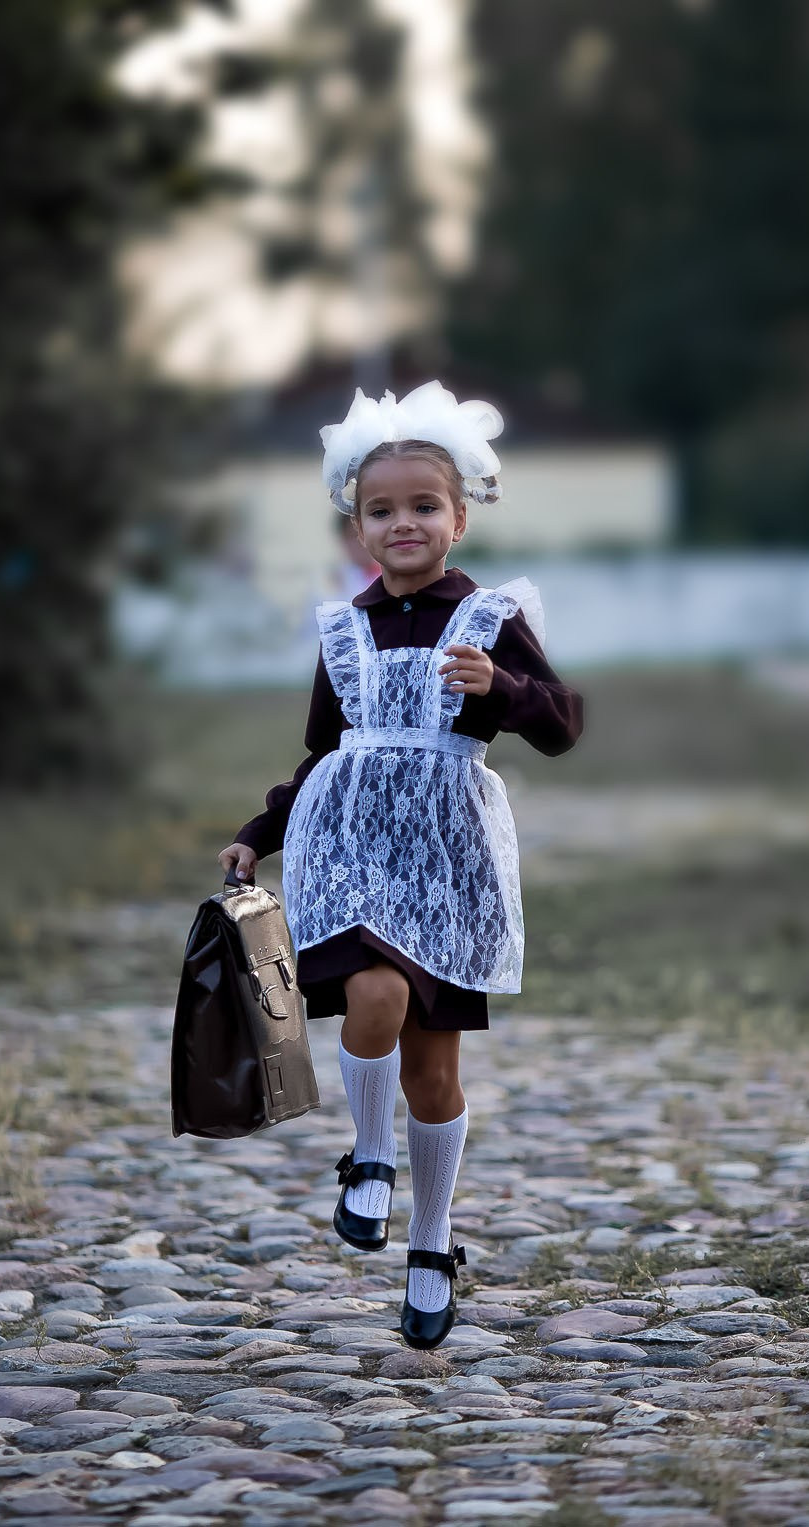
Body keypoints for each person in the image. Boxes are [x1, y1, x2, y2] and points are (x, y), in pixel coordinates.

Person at [218, 381, 583, 1349]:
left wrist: (500, 688)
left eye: (424, 505)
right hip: (350, 851)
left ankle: (431, 1243)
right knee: (372, 994)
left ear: (459, 517)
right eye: (382, 510)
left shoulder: (490, 618)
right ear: (357, 528)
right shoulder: (344, 632)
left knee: (434, 1073)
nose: (403, 523)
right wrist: (262, 832)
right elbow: (324, 756)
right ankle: (368, 1160)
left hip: (449, 862)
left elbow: (561, 725)